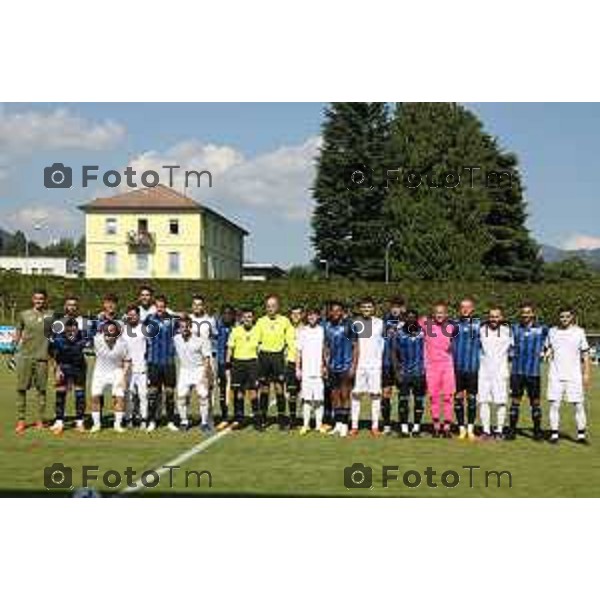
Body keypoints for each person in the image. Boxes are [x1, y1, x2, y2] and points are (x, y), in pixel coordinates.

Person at [546, 307, 591, 444]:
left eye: (567, 316)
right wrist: (548, 352)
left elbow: (585, 354)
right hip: (555, 374)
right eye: (562, 317)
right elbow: (548, 347)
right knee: (554, 405)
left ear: (572, 317)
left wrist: (586, 373)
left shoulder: (579, 332)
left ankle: (581, 435)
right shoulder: (552, 331)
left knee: (578, 405)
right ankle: (554, 435)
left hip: (574, 376)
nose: (564, 319)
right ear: (558, 318)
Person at [14, 289, 53, 434]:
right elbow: (18, 331)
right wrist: (14, 347)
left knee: (41, 390)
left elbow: (51, 336)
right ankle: (21, 420)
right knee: (21, 389)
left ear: (45, 300)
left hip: (42, 358)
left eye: (41, 299)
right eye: (36, 298)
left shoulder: (50, 315)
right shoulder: (24, 314)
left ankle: (40, 420)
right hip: (25, 357)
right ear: (32, 299)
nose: (39, 301)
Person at [507, 302, 548, 441]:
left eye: (528, 312)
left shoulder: (543, 329)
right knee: (515, 402)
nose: (525, 315)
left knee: (535, 403)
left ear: (533, 314)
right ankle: (511, 431)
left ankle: (537, 432)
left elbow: (553, 342)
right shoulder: (514, 328)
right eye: (523, 312)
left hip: (533, 373)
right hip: (517, 372)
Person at [255, 295, 295, 430]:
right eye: (268, 306)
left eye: (273, 306)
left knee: (279, 388)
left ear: (278, 307)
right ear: (265, 307)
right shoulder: (260, 321)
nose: (270, 308)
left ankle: (282, 419)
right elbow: (256, 340)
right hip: (264, 357)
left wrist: (290, 357)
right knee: (264, 388)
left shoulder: (285, 321)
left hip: (278, 357)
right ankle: (263, 419)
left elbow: (290, 341)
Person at [421, 301, 457, 438]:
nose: (439, 315)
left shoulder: (451, 327)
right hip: (431, 366)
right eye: (437, 312)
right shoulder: (426, 325)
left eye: (442, 313)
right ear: (433, 314)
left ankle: (447, 426)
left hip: (447, 366)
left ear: (446, 314)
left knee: (448, 396)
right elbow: (410, 320)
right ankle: (436, 426)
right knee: (434, 397)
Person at [350, 297, 385, 437]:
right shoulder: (356, 323)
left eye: (369, 307)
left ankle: (375, 426)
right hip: (360, 365)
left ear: (374, 308)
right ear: (360, 309)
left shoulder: (380, 323)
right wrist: (354, 365)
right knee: (356, 395)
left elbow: (383, 344)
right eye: (364, 307)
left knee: (375, 395)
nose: (367, 309)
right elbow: (355, 345)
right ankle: (354, 426)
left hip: (375, 366)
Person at [174, 314, 213, 432]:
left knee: (203, 396)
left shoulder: (200, 340)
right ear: (179, 328)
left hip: (198, 369)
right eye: (181, 327)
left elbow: (207, 358)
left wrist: (205, 375)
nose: (184, 329)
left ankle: (204, 422)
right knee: (181, 396)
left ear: (190, 327)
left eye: (186, 327)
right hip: (184, 370)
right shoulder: (176, 339)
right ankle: (184, 421)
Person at [324, 301, 357, 437]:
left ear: (342, 312)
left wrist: (353, 366)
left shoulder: (349, 325)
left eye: (338, 310)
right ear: (330, 312)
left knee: (345, 395)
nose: (336, 313)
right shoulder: (327, 326)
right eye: (333, 310)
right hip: (332, 366)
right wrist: (325, 365)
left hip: (346, 365)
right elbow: (326, 347)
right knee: (334, 395)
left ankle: (345, 424)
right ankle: (337, 424)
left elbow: (356, 347)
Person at [90, 321, 131, 433]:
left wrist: (123, 376)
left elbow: (127, 361)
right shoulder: (96, 340)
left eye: (112, 331)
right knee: (95, 397)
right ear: (103, 331)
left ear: (117, 332)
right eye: (107, 331)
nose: (109, 333)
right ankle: (96, 425)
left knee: (119, 398)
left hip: (116, 372)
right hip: (99, 372)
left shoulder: (123, 344)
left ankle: (117, 425)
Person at [478, 307, 512, 439]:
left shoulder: (507, 332)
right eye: (491, 316)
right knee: (483, 401)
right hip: (484, 372)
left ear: (501, 317)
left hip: (500, 372)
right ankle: (486, 430)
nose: (494, 319)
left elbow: (514, 349)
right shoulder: (481, 330)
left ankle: (499, 430)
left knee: (501, 402)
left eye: (496, 316)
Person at [49, 318, 88, 434]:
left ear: (77, 328)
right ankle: (59, 421)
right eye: (69, 327)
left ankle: (79, 422)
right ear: (65, 328)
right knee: (60, 393)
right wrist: (56, 369)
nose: (72, 330)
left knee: (80, 394)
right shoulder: (58, 339)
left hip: (79, 368)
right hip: (63, 367)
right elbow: (52, 355)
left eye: (74, 327)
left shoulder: (82, 337)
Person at [145, 295, 178, 432]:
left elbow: (186, 321)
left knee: (169, 392)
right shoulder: (149, 319)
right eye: (158, 306)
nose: (160, 309)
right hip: (153, 361)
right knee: (153, 392)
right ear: (155, 307)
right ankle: (152, 420)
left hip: (169, 362)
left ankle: (170, 420)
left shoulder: (172, 320)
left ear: (166, 307)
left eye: (162, 306)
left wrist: (177, 313)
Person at [392, 309, 426, 437]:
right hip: (404, 373)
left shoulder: (423, 333)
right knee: (403, 401)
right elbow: (394, 353)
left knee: (418, 401)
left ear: (417, 319)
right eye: (408, 317)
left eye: (413, 317)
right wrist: (397, 372)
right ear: (405, 319)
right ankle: (404, 428)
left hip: (420, 373)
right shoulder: (399, 333)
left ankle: (416, 428)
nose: (411, 319)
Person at [452, 297, 481, 440]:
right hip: (457, 368)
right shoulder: (453, 325)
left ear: (473, 308)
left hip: (472, 368)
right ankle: (461, 428)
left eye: (468, 307)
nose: (465, 309)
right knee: (458, 398)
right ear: (459, 309)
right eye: (462, 307)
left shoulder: (479, 325)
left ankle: (470, 429)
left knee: (471, 398)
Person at [227, 308, 261, 429]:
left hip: (252, 363)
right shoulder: (235, 331)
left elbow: (260, 347)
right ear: (241, 318)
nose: (247, 319)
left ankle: (257, 420)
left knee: (253, 392)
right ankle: (239, 419)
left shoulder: (257, 330)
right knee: (239, 392)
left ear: (253, 318)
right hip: (238, 363)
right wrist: (228, 363)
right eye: (245, 317)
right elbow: (230, 348)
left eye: (250, 317)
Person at [297, 308, 327, 435]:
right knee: (307, 400)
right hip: (306, 371)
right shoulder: (302, 331)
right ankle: (306, 425)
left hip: (318, 370)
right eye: (309, 316)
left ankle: (319, 425)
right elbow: (298, 351)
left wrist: (325, 366)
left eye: (314, 315)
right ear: (307, 317)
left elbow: (325, 350)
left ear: (318, 317)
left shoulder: (322, 330)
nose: (312, 318)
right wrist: (298, 368)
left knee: (319, 400)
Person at [382, 297, 406, 434]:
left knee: (402, 394)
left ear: (403, 308)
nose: (395, 309)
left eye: (398, 306)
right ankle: (386, 425)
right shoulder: (383, 322)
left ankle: (403, 425)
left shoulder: (409, 323)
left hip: (402, 366)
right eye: (393, 306)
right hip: (386, 364)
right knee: (386, 393)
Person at [122, 304, 148, 429]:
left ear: (138, 316)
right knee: (128, 395)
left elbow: (150, 346)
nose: (132, 317)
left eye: (134, 314)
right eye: (130, 315)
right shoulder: (122, 330)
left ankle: (144, 419)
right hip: (127, 369)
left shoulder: (144, 329)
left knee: (143, 395)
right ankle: (128, 419)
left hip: (142, 367)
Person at [215, 305, 236, 429]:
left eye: (229, 313)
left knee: (237, 391)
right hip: (221, 364)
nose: (227, 316)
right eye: (225, 313)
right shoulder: (217, 327)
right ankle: (224, 417)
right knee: (222, 391)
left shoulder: (237, 328)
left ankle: (237, 416)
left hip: (236, 365)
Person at [285, 306, 304, 429]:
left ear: (302, 315)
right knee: (292, 393)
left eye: (298, 314)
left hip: (306, 364)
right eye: (293, 314)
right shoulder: (287, 329)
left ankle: (304, 420)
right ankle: (292, 420)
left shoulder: (306, 329)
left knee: (305, 393)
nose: (296, 316)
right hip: (291, 363)